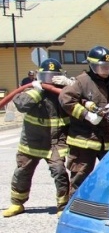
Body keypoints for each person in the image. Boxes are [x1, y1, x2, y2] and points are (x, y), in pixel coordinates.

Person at [2, 58, 72, 218]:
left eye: (54, 75)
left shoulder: (65, 92)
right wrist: (37, 90)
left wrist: (68, 83)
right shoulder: (32, 90)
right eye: (47, 75)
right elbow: (20, 104)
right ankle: (16, 203)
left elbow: (82, 96)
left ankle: (63, 206)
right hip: (31, 142)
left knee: (60, 172)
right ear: (39, 76)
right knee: (22, 172)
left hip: (55, 142)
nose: (50, 79)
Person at [59, 45, 109, 196]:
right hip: (84, 140)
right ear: (92, 65)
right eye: (102, 66)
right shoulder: (81, 82)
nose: (106, 69)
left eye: (108, 66)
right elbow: (66, 100)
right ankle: (75, 208)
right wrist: (86, 114)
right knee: (80, 176)